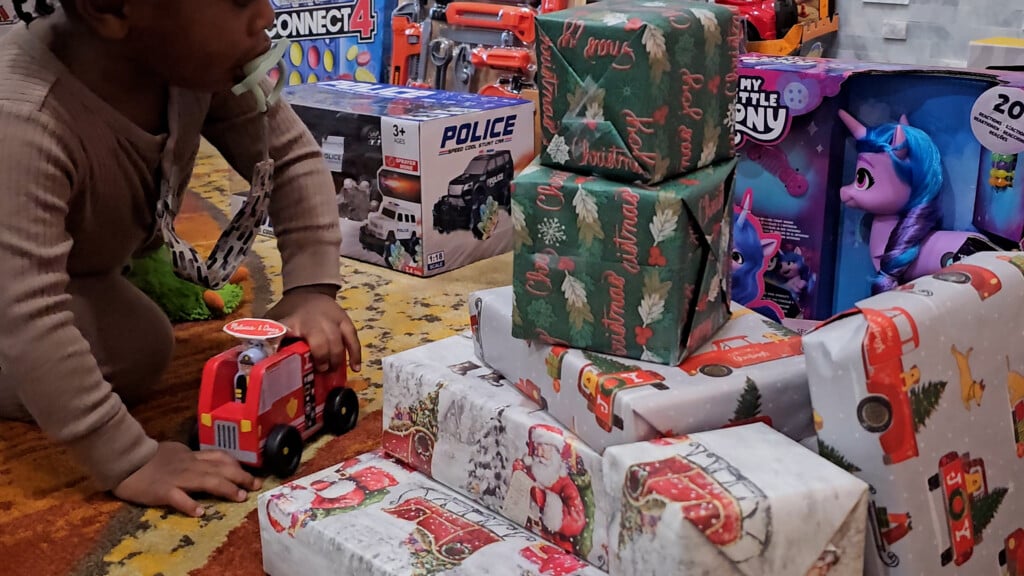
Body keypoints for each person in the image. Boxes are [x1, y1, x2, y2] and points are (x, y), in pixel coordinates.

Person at [0, 0, 362, 518]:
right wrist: (127, 458)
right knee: (139, 348)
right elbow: (28, 314)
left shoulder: (194, 66)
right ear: (108, 8)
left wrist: (310, 287)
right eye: (239, 0)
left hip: (85, 261)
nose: (266, 15)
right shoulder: (24, 119)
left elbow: (291, 158)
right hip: (11, 280)